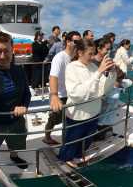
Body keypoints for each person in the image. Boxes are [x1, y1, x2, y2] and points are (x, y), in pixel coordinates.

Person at [57, 39, 114, 167]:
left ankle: (77, 156)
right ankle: (65, 160)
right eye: (90, 54)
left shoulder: (93, 67)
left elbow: (102, 90)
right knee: (71, 142)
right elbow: (76, 94)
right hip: (78, 116)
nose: (93, 57)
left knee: (86, 139)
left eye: (93, 53)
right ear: (80, 52)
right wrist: (98, 73)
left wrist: (111, 74)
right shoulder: (71, 68)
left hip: (93, 113)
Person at [0, 32, 31, 169]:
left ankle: (14, 156)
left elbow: (26, 93)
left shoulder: (19, 70)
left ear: (13, 51)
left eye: (6, 51)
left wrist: (23, 105)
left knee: (17, 144)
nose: (3, 56)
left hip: (16, 120)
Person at [43, 31, 81, 145]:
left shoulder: (76, 57)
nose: (78, 43)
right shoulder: (59, 57)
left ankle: (67, 142)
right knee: (54, 119)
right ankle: (47, 136)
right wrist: (54, 96)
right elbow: (53, 76)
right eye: (76, 41)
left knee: (68, 120)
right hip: (60, 94)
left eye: (80, 41)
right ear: (68, 42)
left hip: (71, 94)